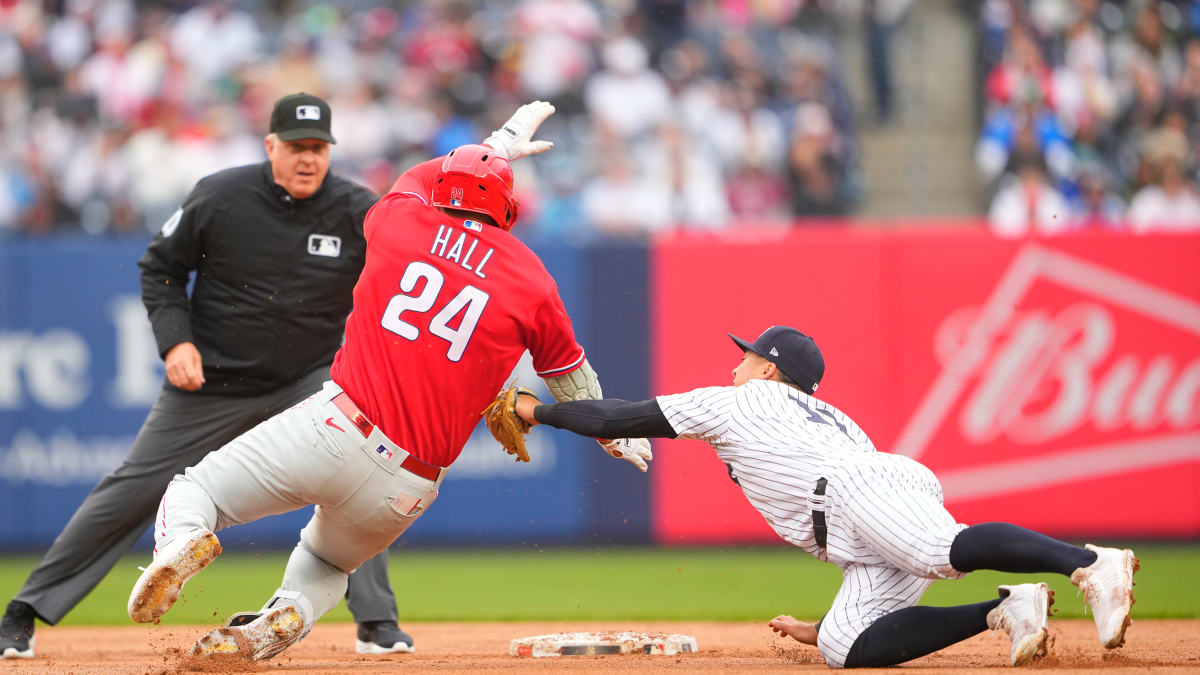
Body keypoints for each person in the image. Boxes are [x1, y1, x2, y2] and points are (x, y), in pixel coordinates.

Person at [123, 107, 653, 662]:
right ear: (508, 207)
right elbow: (570, 377)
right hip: (411, 486)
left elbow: (421, 178)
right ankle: (276, 623)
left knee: (196, 490)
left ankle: (182, 544)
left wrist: (496, 143)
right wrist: (613, 431)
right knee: (331, 564)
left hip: (336, 428)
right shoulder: (533, 280)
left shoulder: (399, 220)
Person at [0, 92, 420, 659]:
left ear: (330, 152)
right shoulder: (223, 195)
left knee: (357, 473)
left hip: (306, 379)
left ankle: (377, 623)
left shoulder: (357, 209)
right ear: (270, 145)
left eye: (318, 147)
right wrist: (176, 342)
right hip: (213, 378)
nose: (307, 158)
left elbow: (412, 270)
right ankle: (22, 613)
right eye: (295, 146)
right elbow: (161, 268)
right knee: (136, 486)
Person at [512, 325, 1139, 668]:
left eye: (748, 356)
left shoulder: (739, 399)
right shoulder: (826, 415)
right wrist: (817, 627)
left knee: (939, 551)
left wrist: (535, 409)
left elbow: (619, 416)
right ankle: (1007, 610)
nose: (736, 364)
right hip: (859, 514)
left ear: (768, 369)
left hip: (852, 490)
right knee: (843, 646)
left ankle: (1088, 562)